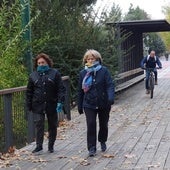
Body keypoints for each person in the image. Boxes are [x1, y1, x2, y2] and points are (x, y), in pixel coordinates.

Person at [77, 49, 114, 157]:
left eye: (92, 58)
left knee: (103, 124)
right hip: (89, 103)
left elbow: (109, 85)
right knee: (91, 124)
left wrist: (110, 97)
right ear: (85, 60)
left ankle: (102, 141)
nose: (90, 60)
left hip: (103, 103)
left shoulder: (104, 71)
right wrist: (80, 105)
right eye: (88, 59)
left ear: (97, 59)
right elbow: (80, 90)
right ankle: (91, 148)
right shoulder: (83, 73)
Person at [26, 53, 66, 153]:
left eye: (43, 62)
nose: (41, 64)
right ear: (36, 64)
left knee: (52, 125)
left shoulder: (54, 73)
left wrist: (60, 101)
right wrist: (28, 105)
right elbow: (29, 92)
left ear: (47, 62)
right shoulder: (33, 75)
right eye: (39, 63)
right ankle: (39, 145)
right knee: (39, 124)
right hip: (37, 104)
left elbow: (61, 88)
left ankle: (51, 145)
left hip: (51, 103)